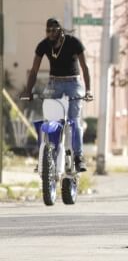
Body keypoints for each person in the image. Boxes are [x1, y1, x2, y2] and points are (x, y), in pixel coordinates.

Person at [24, 18, 93, 173]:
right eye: (47, 31)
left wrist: (88, 91)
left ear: (60, 30)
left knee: (74, 120)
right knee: (49, 119)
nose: (50, 34)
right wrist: (28, 91)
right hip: (53, 83)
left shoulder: (73, 42)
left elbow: (85, 67)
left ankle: (78, 157)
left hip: (73, 83)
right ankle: (45, 159)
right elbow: (34, 70)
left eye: (53, 31)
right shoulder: (43, 45)